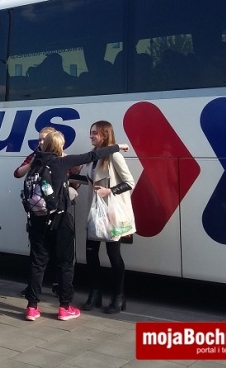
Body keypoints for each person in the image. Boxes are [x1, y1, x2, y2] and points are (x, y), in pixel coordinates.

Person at [23, 131, 129, 322]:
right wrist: (117, 147)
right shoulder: (62, 161)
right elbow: (93, 155)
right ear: (59, 146)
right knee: (65, 263)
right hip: (60, 219)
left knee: (37, 263)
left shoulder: (36, 162)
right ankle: (64, 307)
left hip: (37, 220)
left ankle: (32, 307)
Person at [83, 120, 135, 314]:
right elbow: (88, 181)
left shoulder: (114, 156)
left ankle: (119, 296)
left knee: (114, 255)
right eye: (91, 132)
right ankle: (95, 293)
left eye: (95, 133)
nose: (91, 136)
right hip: (95, 212)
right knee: (90, 253)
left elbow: (130, 182)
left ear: (105, 135)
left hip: (111, 214)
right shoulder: (92, 156)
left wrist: (110, 191)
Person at [13, 126, 57, 297]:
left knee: (56, 250)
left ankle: (58, 284)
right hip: (36, 211)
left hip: (54, 210)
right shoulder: (34, 156)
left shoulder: (59, 156)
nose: (41, 142)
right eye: (39, 139)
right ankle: (32, 287)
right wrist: (32, 163)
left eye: (44, 139)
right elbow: (17, 173)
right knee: (36, 252)